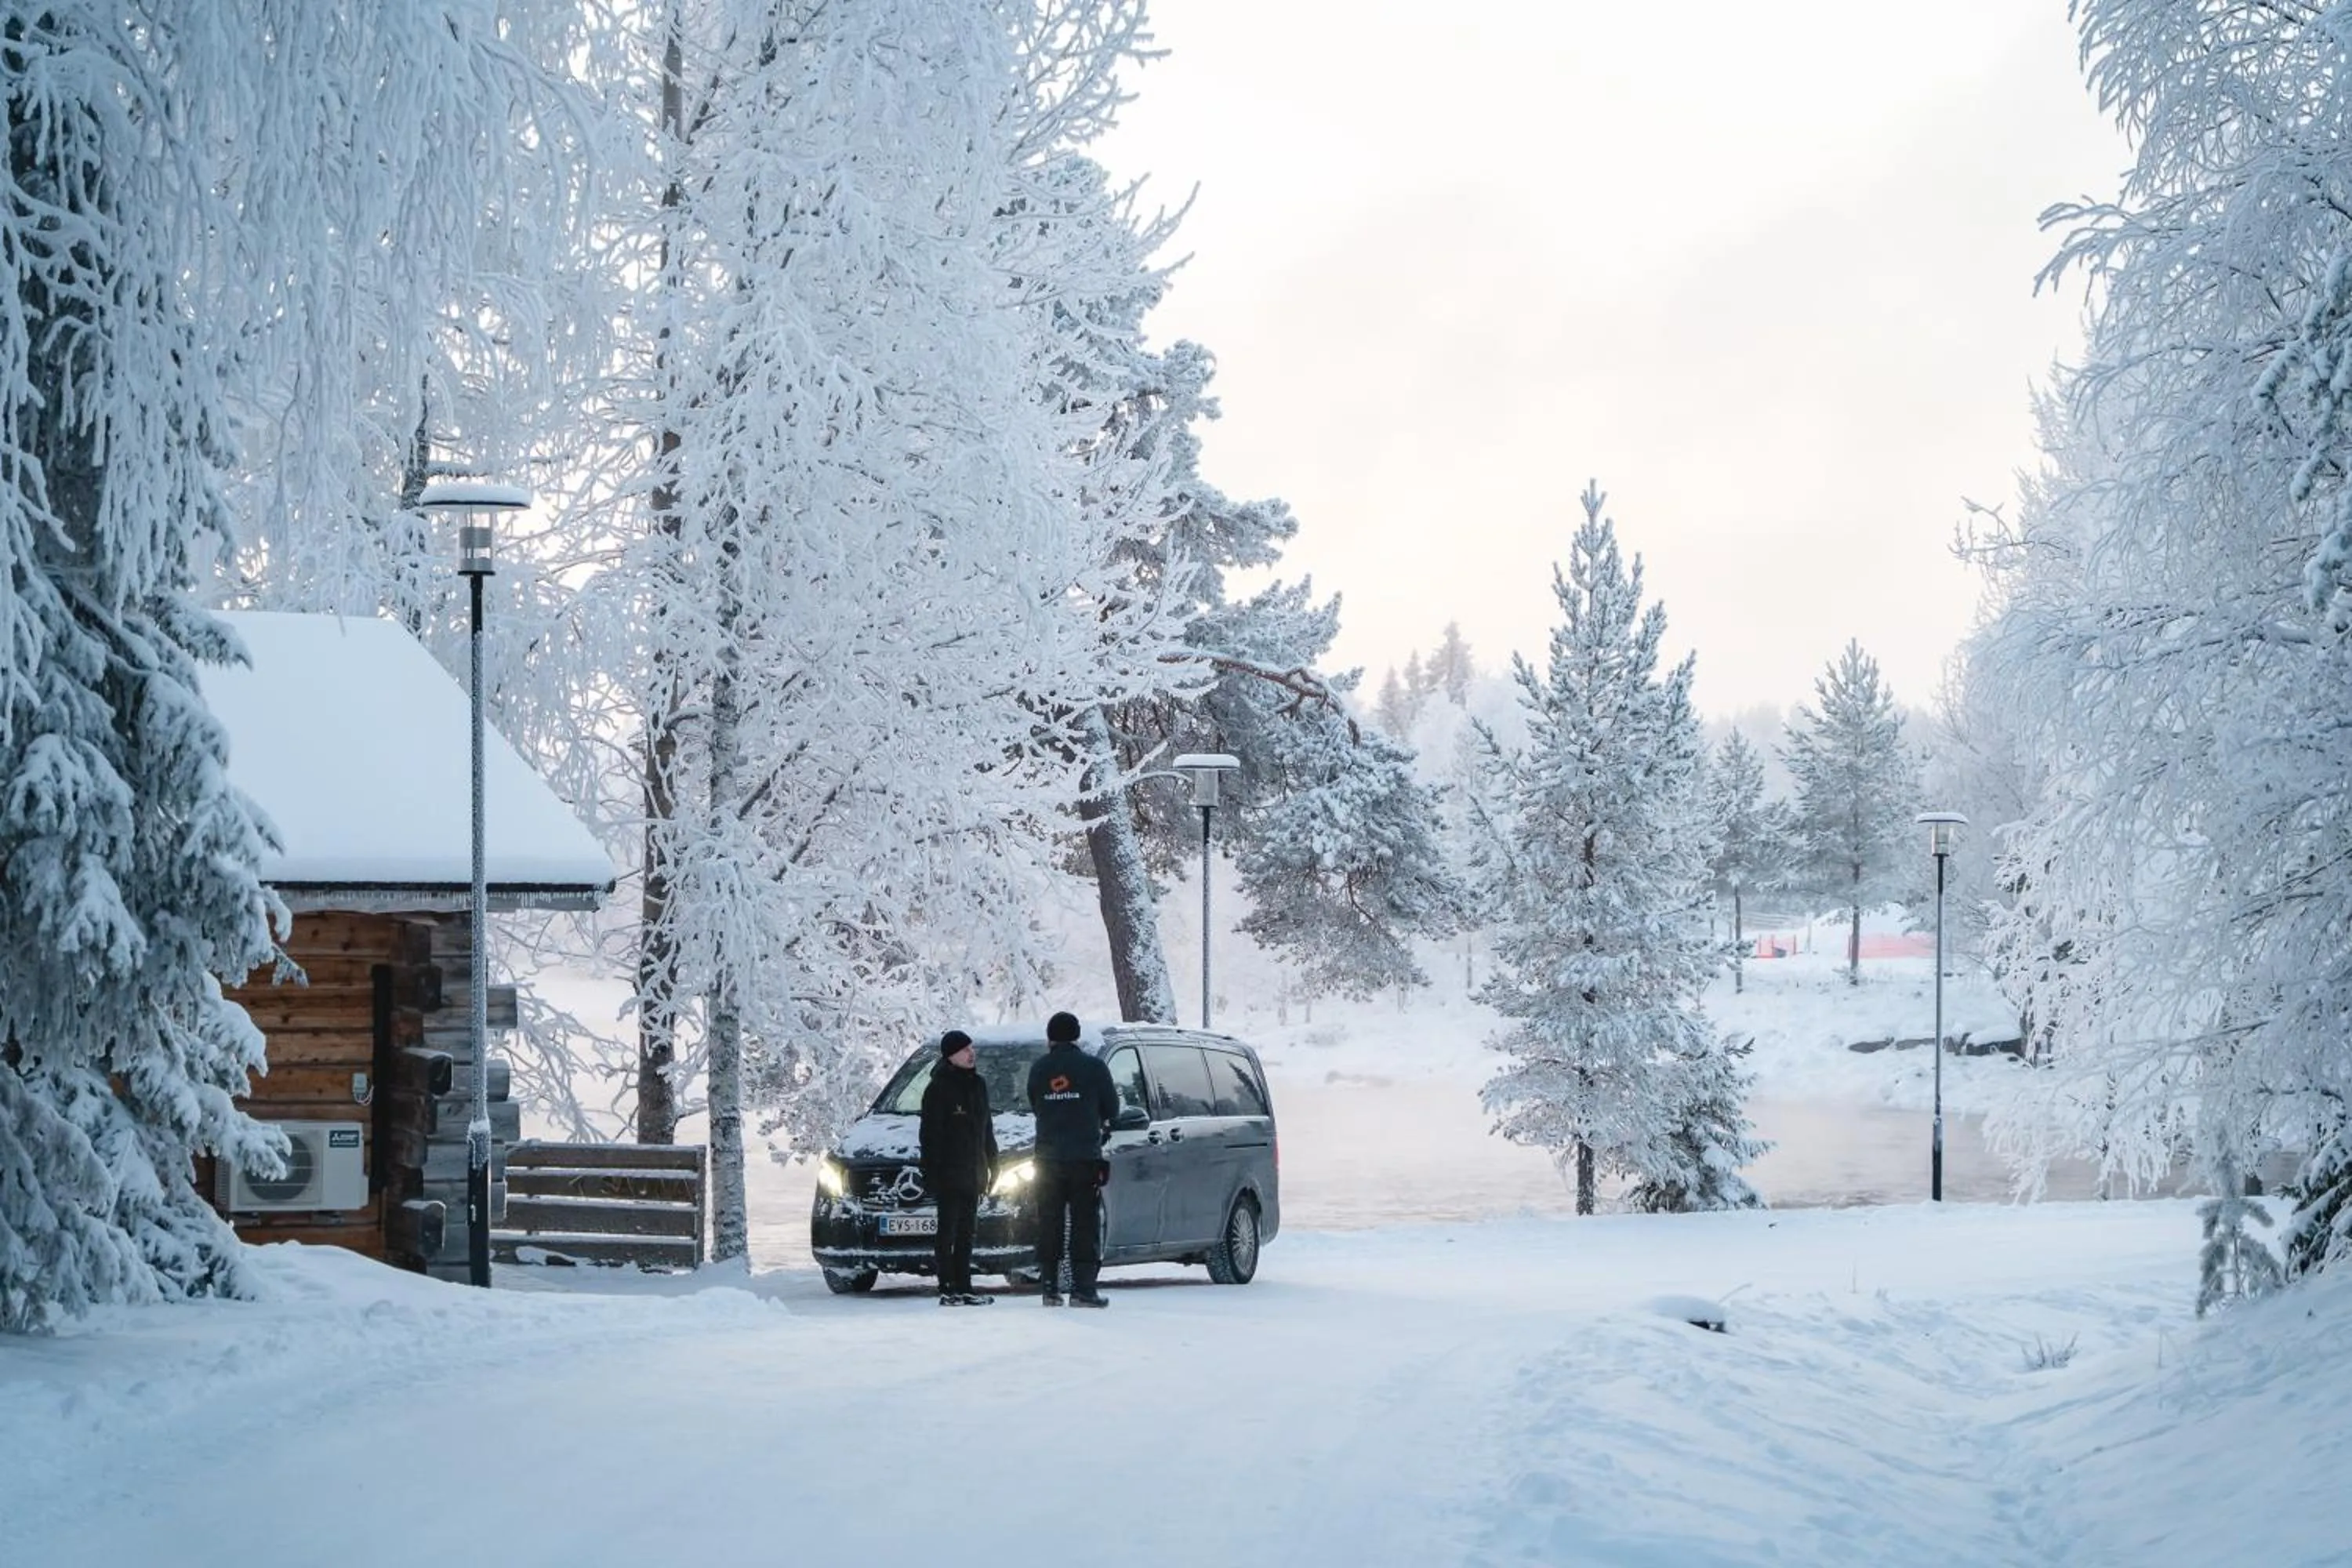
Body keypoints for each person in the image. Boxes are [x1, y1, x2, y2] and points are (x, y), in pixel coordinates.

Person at [1025, 1010, 1119, 1308]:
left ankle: (1050, 1287)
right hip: (1084, 1158)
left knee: (1050, 1221)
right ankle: (1083, 1288)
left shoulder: (1039, 1069)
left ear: (1050, 1037)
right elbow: (1112, 1109)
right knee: (1084, 1223)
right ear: (1077, 1036)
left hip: (1047, 1158)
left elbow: (1035, 1104)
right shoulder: (1094, 1068)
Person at [920, 1029, 997, 1306]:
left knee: (967, 1232)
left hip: (974, 1171)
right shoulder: (938, 1089)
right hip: (949, 1174)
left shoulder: (979, 1085)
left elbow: (987, 1129)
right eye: (965, 1050)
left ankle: (965, 1285)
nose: (971, 1054)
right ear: (950, 1055)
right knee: (947, 1230)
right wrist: (932, 1173)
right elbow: (930, 1136)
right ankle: (947, 1286)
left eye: (971, 1048)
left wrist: (993, 1163)